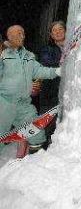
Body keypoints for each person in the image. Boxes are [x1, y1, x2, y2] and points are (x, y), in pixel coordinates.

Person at [0, 25, 61, 154]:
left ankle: (34, 165)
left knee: (37, 134)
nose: (21, 36)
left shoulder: (29, 56)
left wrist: (57, 71)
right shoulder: (3, 54)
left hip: (23, 104)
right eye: (17, 33)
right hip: (4, 103)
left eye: (22, 33)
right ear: (9, 36)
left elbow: (39, 70)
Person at [37, 21, 66, 146]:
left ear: (65, 30)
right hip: (50, 92)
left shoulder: (74, 46)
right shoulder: (47, 49)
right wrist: (65, 61)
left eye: (60, 29)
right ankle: (42, 150)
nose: (58, 32)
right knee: (47, 125)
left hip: (66, 93)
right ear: (51, 35)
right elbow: (46, 61)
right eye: (55, 30)